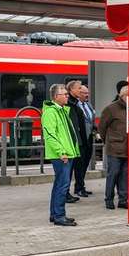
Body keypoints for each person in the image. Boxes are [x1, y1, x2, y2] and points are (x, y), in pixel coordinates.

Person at [41, 83, 79, 227]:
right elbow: (50, 134)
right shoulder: (51, 112)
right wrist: (61, 152)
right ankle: (59, 216)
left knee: (59, 185)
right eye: (65, 94)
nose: (67, 96)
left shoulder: (62, 110)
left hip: (66, 153)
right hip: (61, 154)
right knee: (63, 185)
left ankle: (55, 214)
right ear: (56, 97)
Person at [99, 85, 129, 210]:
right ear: (123, 96)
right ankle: (109, 199)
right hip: (114, 147)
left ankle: (123, 199)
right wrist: (109, 140)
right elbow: (102, 128)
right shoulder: (111, 109)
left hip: (128, 147)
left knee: (125, 175)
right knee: (113, 174)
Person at [65, 80, 90, 201]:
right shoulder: (68, 106)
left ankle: (73, 190)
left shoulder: (75, 105)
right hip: (72, 142)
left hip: (78, 142)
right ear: (71, 90)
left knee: (77, 167)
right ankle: (66, 193)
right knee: (69, 170)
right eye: (78, 88)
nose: (81, 90)